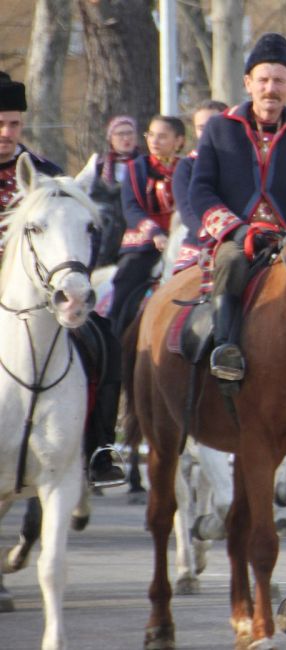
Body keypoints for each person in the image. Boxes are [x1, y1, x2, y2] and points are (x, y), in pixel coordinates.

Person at [0, 71, 124, 485]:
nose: (7, 132)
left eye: (14, 123)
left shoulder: (46, 174)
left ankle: (101, 447)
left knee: (104, 339)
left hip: (41, 301)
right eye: (0, 123)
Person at [188, 33, 286, 381]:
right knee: (232, 262)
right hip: (237, 236)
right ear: (248, 83)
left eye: (279, 80)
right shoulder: (220, 129)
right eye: (263, 80)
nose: (270, 89)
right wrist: (237, 229)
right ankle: (225, 346)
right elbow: (201, 189)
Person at [107, 115, 185, 333]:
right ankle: (114, 336)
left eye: (162, 136)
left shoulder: (187, 168)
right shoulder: (136, 167)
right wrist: (155, 233)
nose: (154, 141)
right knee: (125, 280)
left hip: (182, 240)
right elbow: (131, 207)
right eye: (150, 134)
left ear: (178, 140)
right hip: (144, 242)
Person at [171, 100, 228, 274]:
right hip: (200, 240)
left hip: (244, 237)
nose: (206, 133)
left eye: (212, 125)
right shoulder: (186, 166)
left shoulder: (247, 162)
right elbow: (187, 210)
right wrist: (212, 234)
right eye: (201, 127)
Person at [94, 115, 140, 185]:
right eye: (120, 134)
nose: (126, 138)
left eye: (130, 133)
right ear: (111, 139)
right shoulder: (99, 164)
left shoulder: (143, 163)